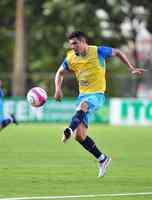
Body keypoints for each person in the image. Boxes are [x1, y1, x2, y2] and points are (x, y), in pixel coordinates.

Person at [54, 31, 146, 178]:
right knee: (80, 137)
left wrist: (131, 67)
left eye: (75, 44)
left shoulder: (98, 51)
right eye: (71, 45)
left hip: (97, 94)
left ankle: (69, 130)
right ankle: (102, 159)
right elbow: (59, 73)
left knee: (83, 106)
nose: (73, 47)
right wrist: (58, 89)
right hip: (82, 96)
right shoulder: (71, 58)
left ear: (83, 42)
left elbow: (117, 52)